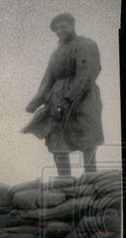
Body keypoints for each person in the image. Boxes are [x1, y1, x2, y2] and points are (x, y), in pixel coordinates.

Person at [23, 13, 104, 176]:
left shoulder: (85, 44)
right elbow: (48, 78)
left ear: (72, 26)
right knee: (56, 137)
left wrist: (70, 98)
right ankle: (65, 180)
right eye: (57, 28)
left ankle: (91, 177)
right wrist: (36, 101)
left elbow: (86, 73)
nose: (60, 30)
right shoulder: (56, 53)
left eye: (64, 26)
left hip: (83, 97)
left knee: (85, 134)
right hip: (56, 98)